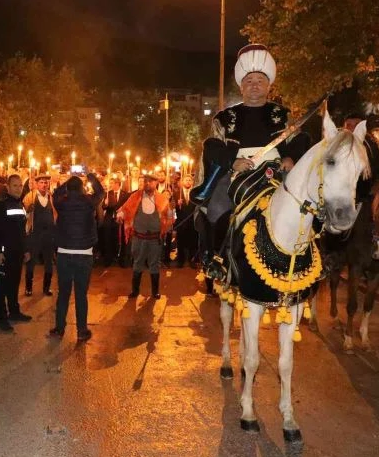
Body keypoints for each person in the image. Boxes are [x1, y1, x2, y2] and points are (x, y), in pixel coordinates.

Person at [193, 44, 311, 262]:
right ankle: (219, 261)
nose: (254, 85)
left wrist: (290, 158)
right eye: (249, 81)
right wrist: (232, 161)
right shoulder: (225, 117)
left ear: (269, 86)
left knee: (308, 208)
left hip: (277, 174)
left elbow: (300, 139)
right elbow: (212, 145)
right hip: (237, 175)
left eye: (259, 81)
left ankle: (307, 260)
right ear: (241, 87)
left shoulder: (283, 115)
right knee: (216, 209)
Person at [47, 172, 105, 341]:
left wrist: (66, 181)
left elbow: (56, 193)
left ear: (68, 189)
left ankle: (59, 328)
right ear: (81, 188)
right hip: (84, 253)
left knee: (63, 293)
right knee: (81, 294)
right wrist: (92, 178)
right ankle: (81, 330)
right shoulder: (89, 202)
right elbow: (100, 193)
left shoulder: (61, 203)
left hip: (64, 252)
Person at [118, 173, 175, 299]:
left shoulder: (162, 199)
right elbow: (124, 209)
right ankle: (135, 291)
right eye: (145, 181)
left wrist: (170, 221)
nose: (147, 183)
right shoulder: (135, 197)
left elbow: (169, 216)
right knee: (137, 263)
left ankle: (155, 292)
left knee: (154, 265)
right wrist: (121, 215)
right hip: (139, 238)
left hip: (155, 239)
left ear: (156, 183)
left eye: (150, 181)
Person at [0, 174, 32, 333]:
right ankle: (1, 319)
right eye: (15, 185)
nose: (18, 188)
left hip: (17, 252)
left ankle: (14, 312)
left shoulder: (20, 206)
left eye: (20, 186)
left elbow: (23, 231)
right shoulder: (0, 206)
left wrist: (26, 249)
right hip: (5, 253)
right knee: (1, 286)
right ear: (7, 186)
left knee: (14, 283)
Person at [21, 174, 57, 296]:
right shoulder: (29, 197)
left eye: (45, 182)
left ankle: (46, 288)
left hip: (49, 235)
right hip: (34, 234)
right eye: (41, 182)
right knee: (31, 261)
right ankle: (28, 288)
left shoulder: (51, 198)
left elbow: (55, 215)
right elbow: (23, 215)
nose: (43, 185)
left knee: (49, 262)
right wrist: (28, 211)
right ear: (36, 184)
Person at [100, 177, 129, 267]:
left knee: (120, 240)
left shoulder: (125, 194)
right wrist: (105, 203)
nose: (110, 185)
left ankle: (121, 259)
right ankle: (108, 259)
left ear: (117, 184)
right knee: (108, 240)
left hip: (120, 221)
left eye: (112, 183)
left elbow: (127, 206)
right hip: (109, 220)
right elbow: (103, 207)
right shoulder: (108, 194)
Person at [173, 174, 198, 268]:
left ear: (192, 182)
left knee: (193, 242)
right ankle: (180, 260)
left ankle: (192, 260)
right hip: (181, 221)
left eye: (190, 180)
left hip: (192, 221)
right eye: (186, 180)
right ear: (182, 182)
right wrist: (176, 204)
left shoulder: (195, 193)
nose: (188, 181)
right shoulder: (176, 193)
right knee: (180, 242)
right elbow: (172, 208)